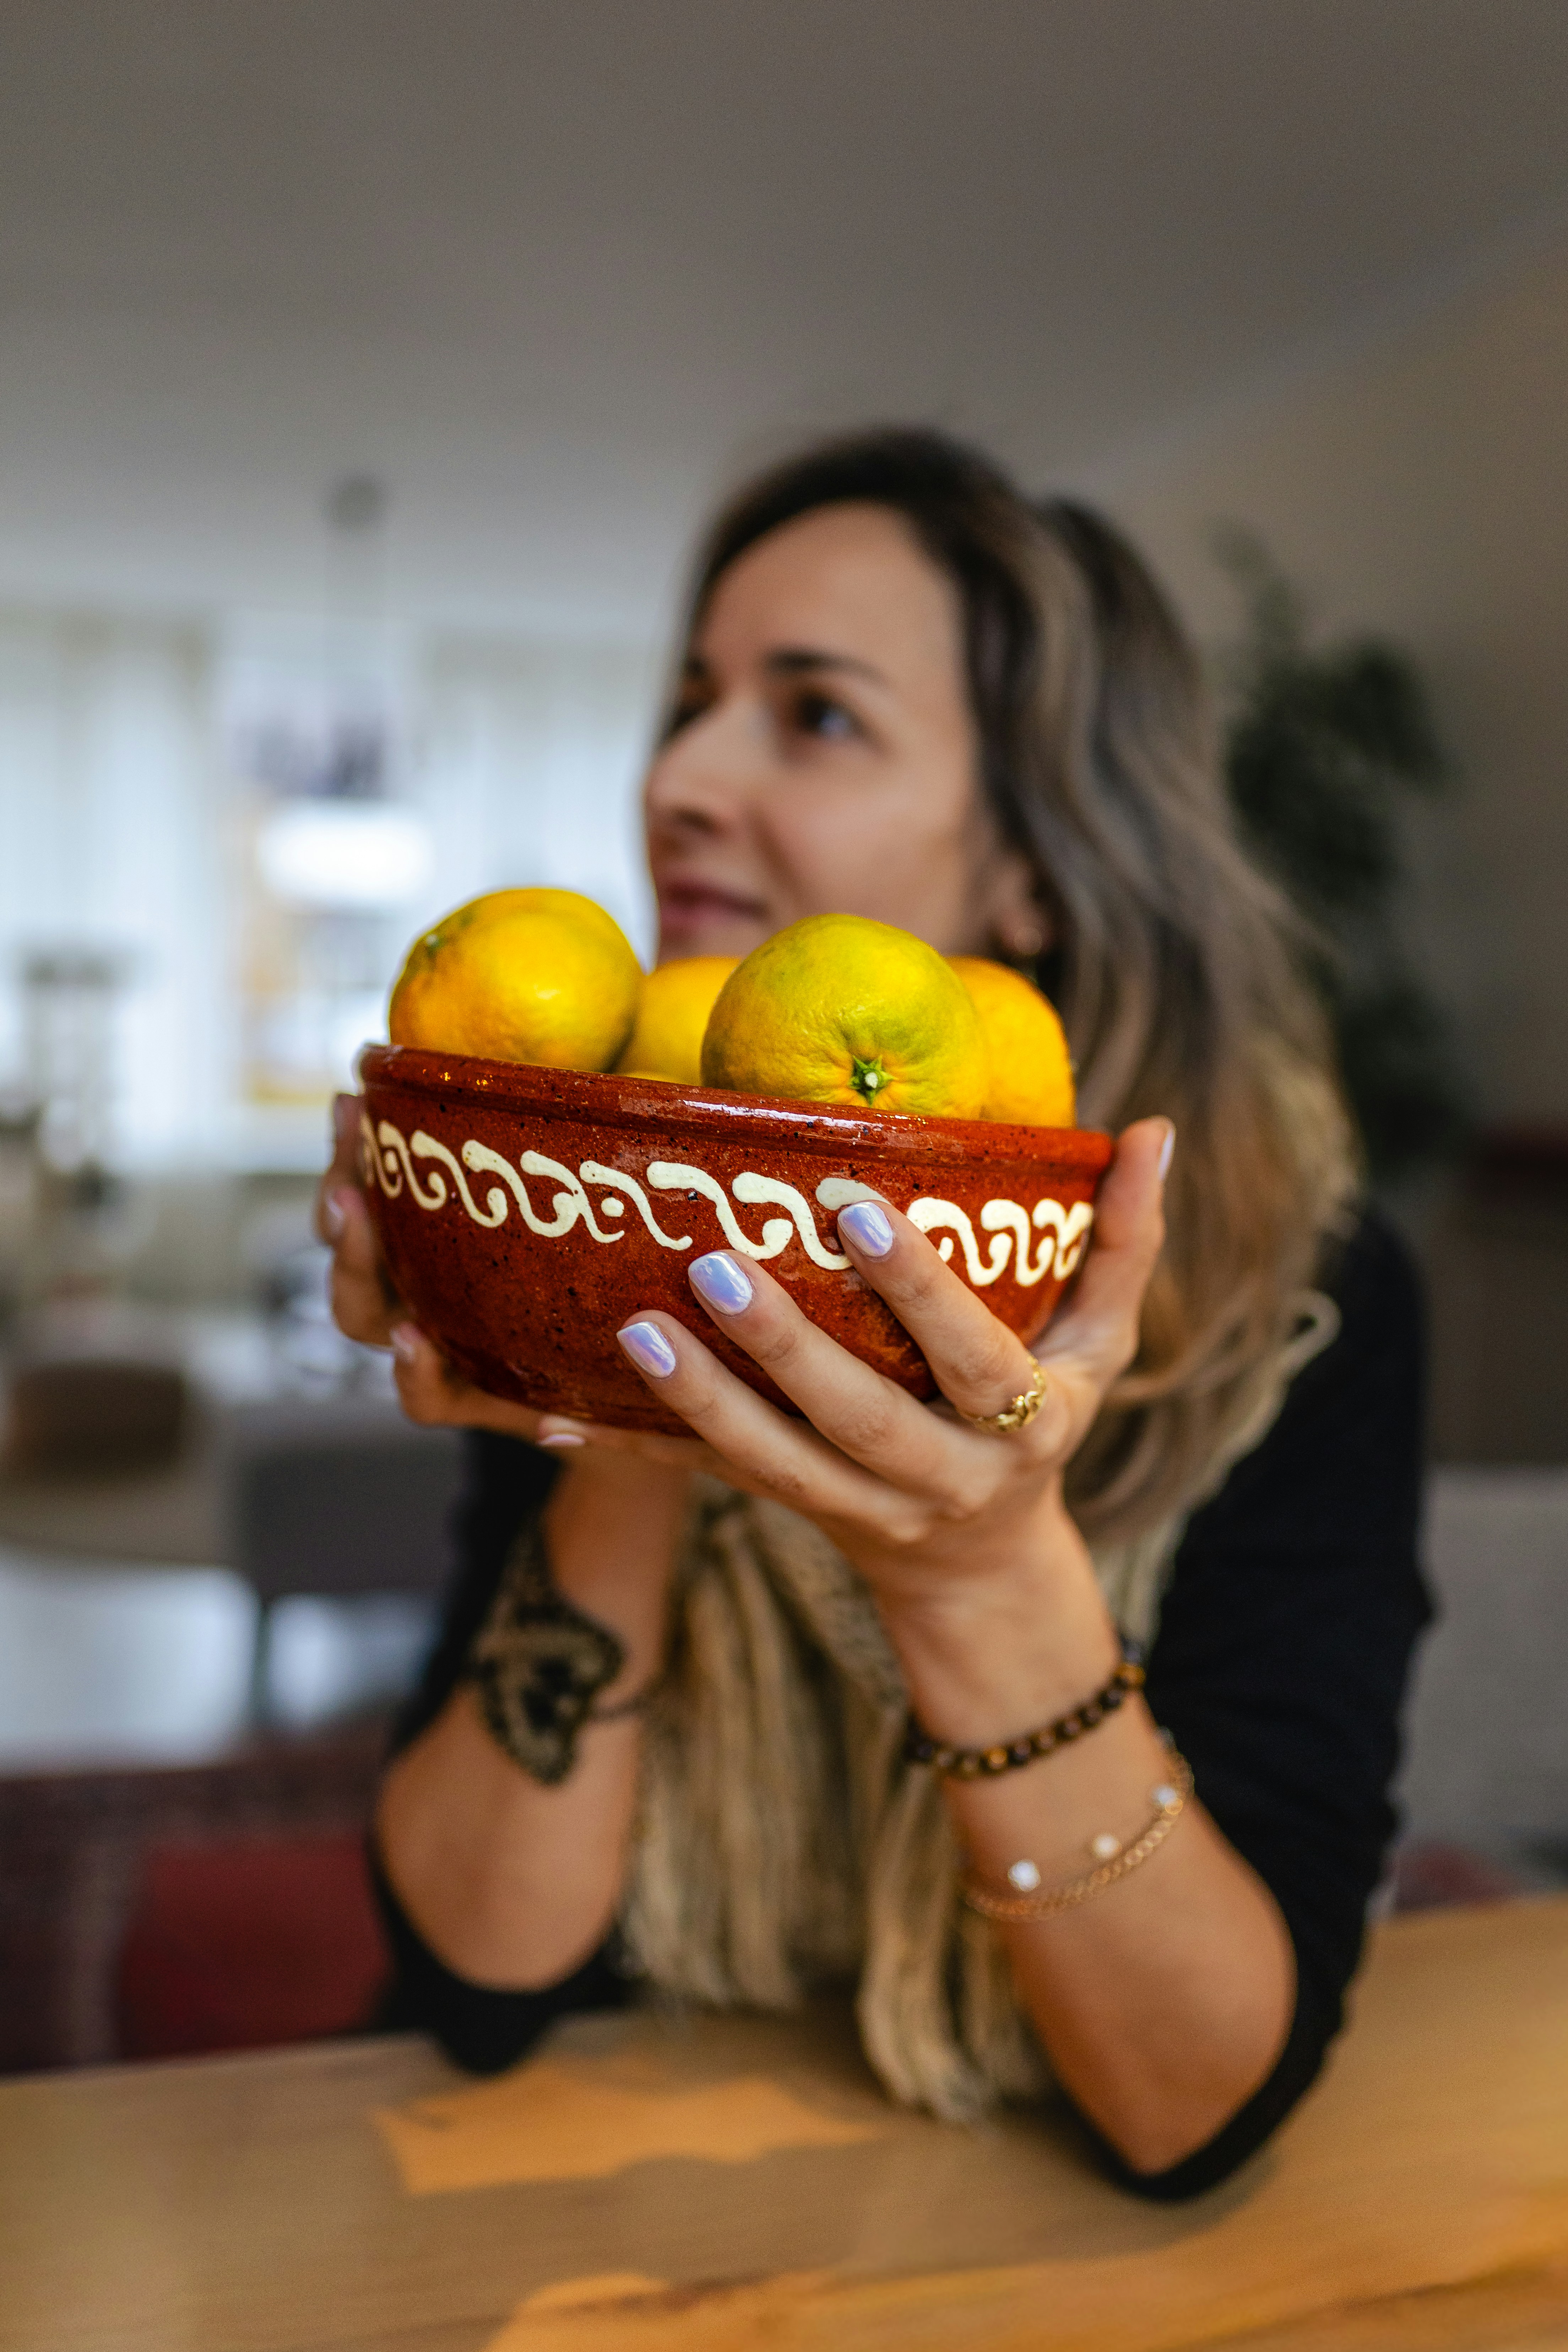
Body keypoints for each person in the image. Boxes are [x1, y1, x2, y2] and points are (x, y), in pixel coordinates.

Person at [318, 429, 1428, 2199]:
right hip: (618, 2208)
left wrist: (978, 1573)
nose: (677, 774)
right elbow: (475, 1975)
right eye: (690, 702)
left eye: (813, 714)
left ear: (1037, 873)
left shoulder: (1300, 1299)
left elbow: (1190, 2109)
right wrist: (613, 1398)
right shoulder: (613, 1186)